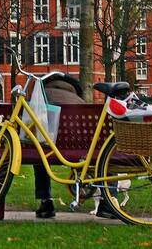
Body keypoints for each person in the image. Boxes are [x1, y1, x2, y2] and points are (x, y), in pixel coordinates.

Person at [33, 74, 117, 219]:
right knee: (105, 154)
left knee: (39, 150)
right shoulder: (79, 101)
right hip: (84, 151)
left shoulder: (39, 100)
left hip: (50, 150)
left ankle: (45, 201)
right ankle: (107, 203)